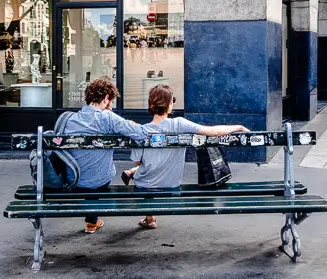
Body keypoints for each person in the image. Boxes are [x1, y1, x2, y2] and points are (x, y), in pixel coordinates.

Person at [120, 84, 250, 229]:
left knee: (145, 169)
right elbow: (214, 132)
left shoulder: (141, 131)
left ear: (151, 105)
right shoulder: (179, 124)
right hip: (171, 182)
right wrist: (238, 127)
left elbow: (138, 161)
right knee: (154, 167)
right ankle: (149, 217)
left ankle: (148, 214)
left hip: (145, 184)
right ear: (169, 105)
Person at [63, 77, 147, 234]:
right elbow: (140, 133)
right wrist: (130, 123)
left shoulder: (69, 119)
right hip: (99, 180)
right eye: (112, 101)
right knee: (101, 171)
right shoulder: (107, 118)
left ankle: (91, 222)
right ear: (106, 99)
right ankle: (91, 221)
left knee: (88, 165)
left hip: (74, 180)